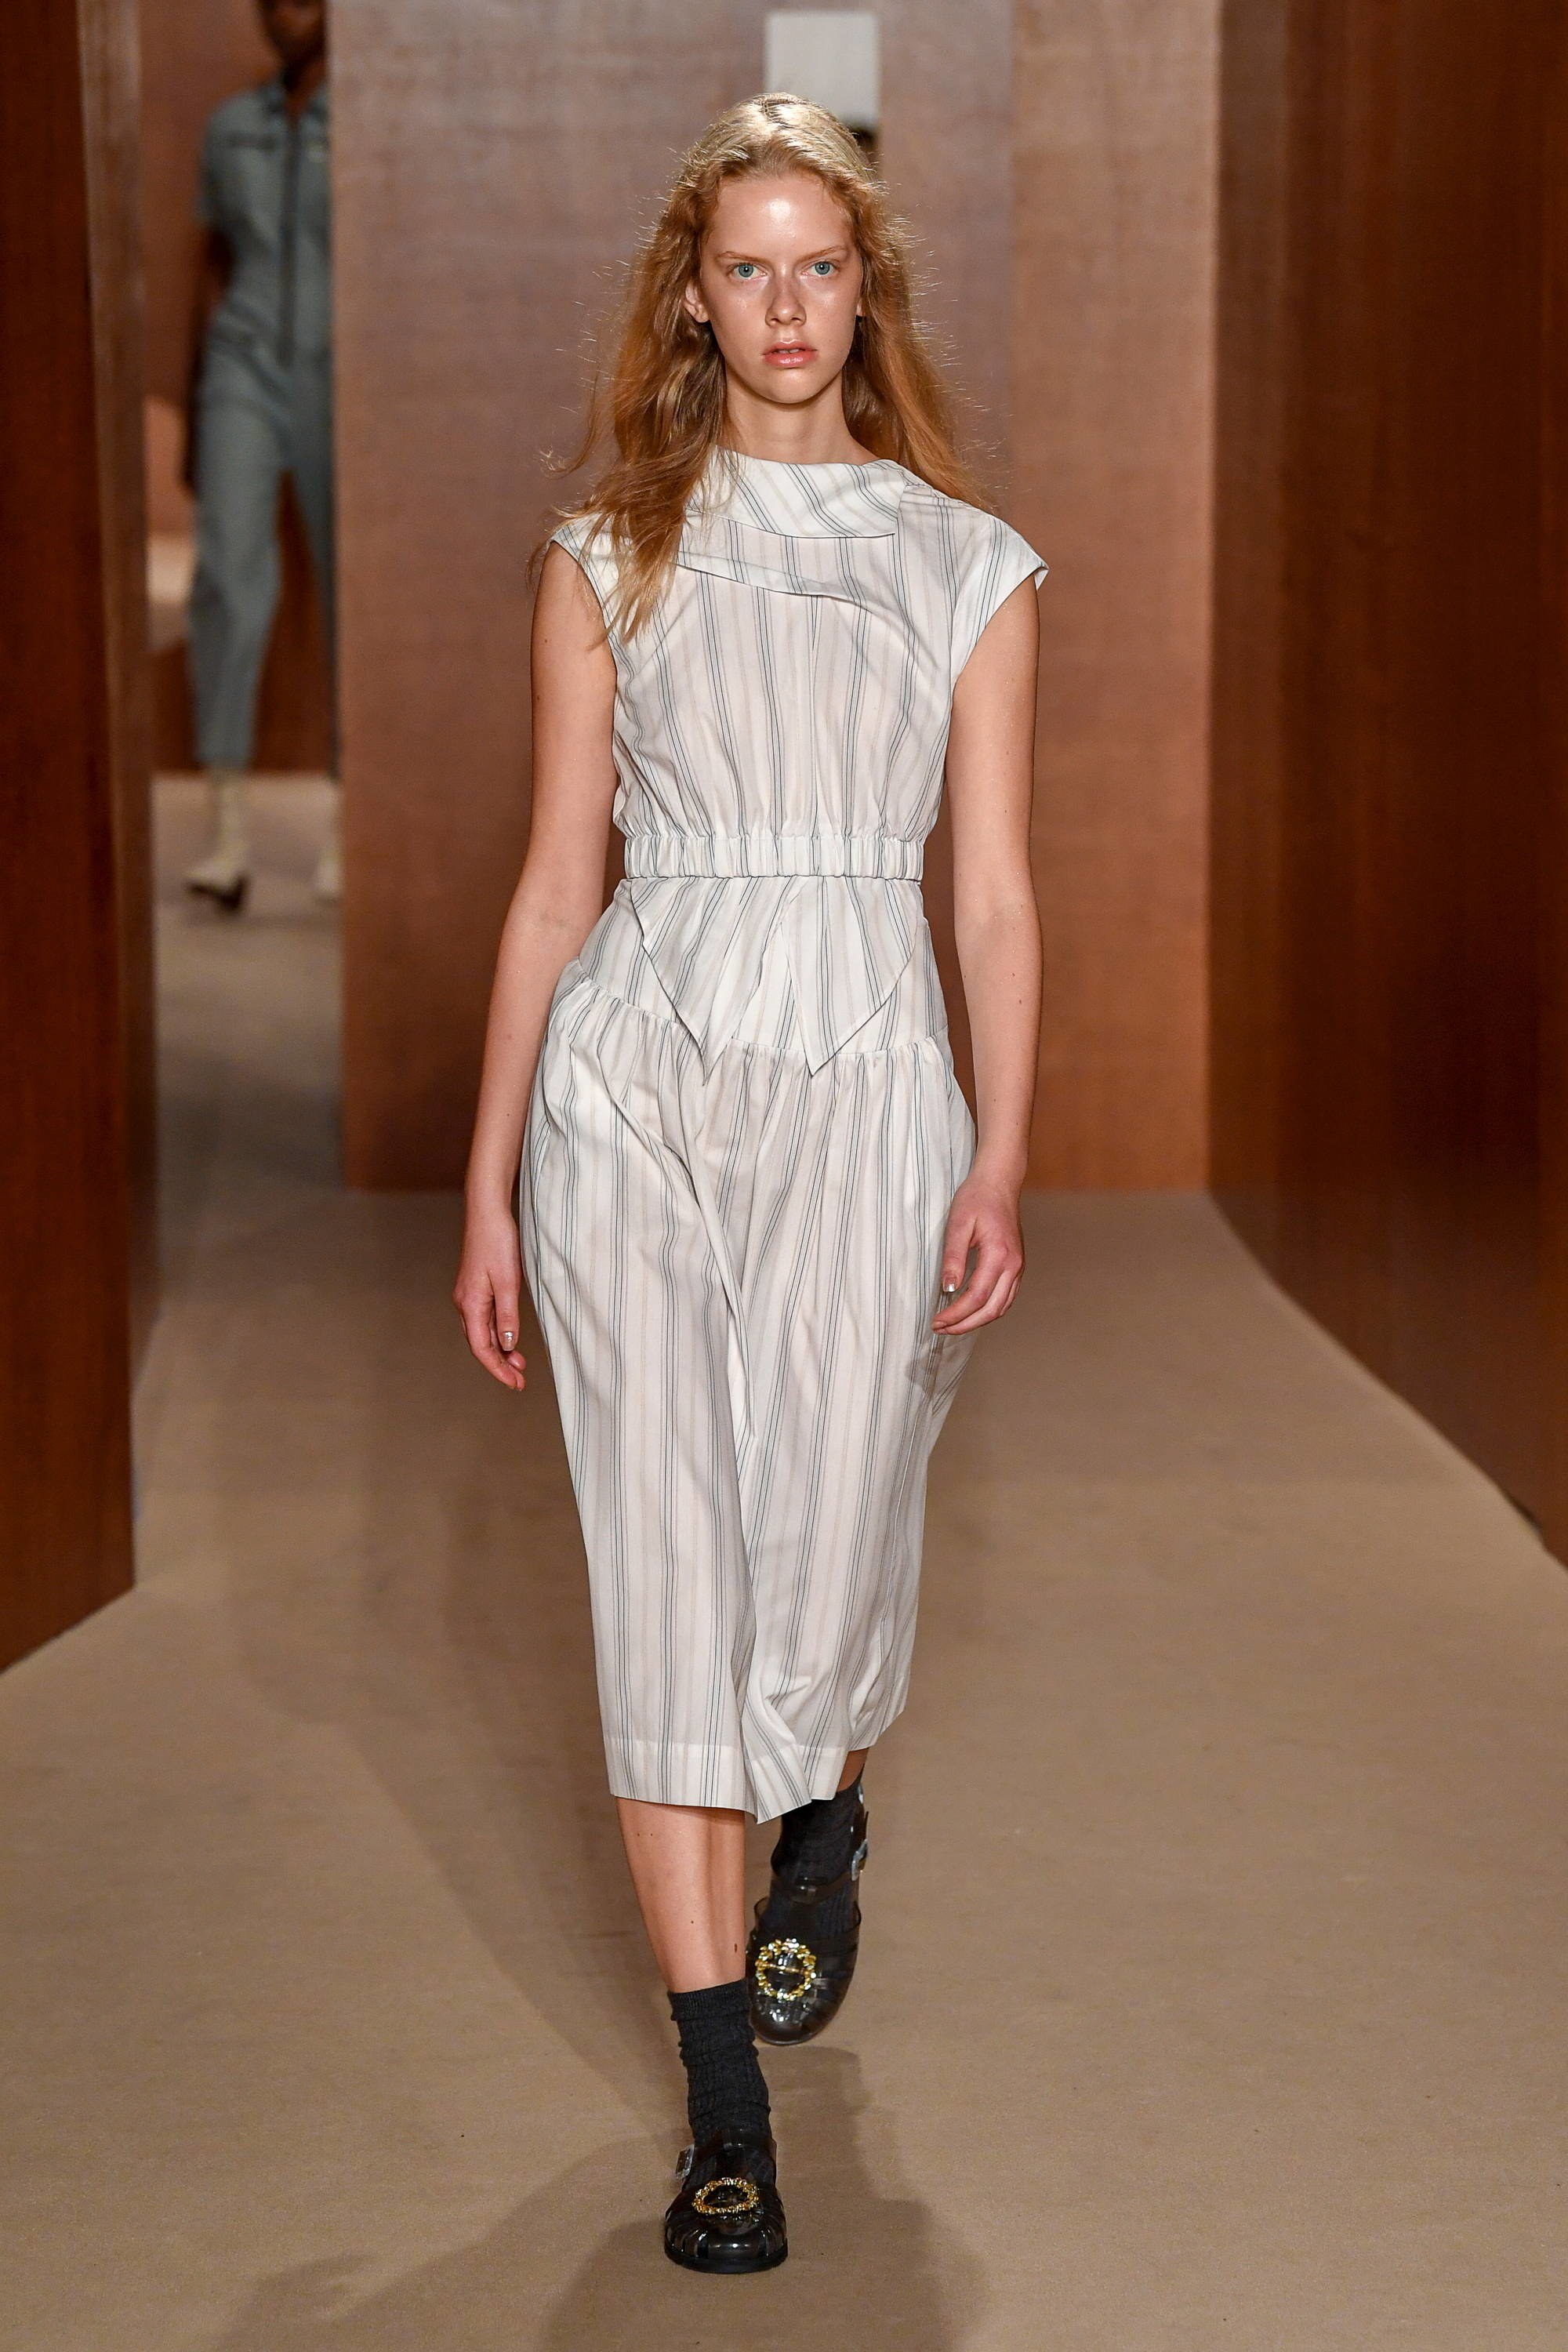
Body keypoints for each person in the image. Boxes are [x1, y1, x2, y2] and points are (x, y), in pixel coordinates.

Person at [455, 93, 1045, 2274]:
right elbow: (552, 885)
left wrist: (1003, 1144)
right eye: (745, 270)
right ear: (692, 301)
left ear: (860, 292)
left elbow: (992, 895)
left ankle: (827, 1818)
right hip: (636, 1077)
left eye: (819, 267)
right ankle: (724, 2116)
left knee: (831, 1535)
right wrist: (487, 1185)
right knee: (668, 1575)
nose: (785, 306)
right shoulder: (606, 552)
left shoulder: (962, 562)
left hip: (868, 1077)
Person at [182, 0, 338, 913]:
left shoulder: (360, 123)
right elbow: (209, 262)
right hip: (241, 363)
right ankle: (227, 829)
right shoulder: (230, 127)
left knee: (349, 586)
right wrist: (195, 394)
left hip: (338, 373)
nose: (288, 14)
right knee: (228, 578)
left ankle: (351, 816)